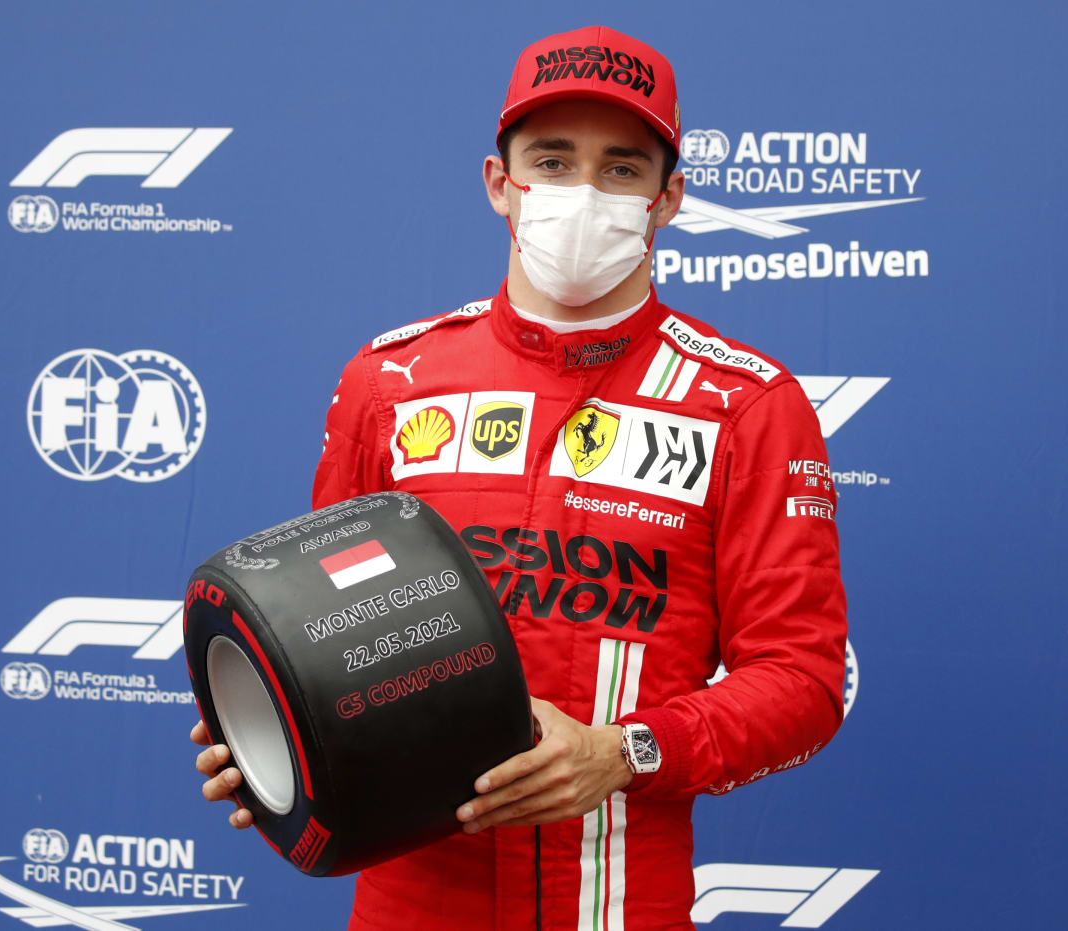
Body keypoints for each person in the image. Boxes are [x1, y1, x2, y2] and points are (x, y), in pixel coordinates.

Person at [192, 24, 847, 930]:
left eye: (621, 168)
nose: (584, 192)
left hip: (621, 898)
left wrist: (626, 752)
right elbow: (319, 644)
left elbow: (804, 681)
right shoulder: (390, 382)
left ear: (669, 198)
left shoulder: (748, 405)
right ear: (501, 183)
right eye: (552, 160)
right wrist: (269, 740)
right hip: (410, 898)